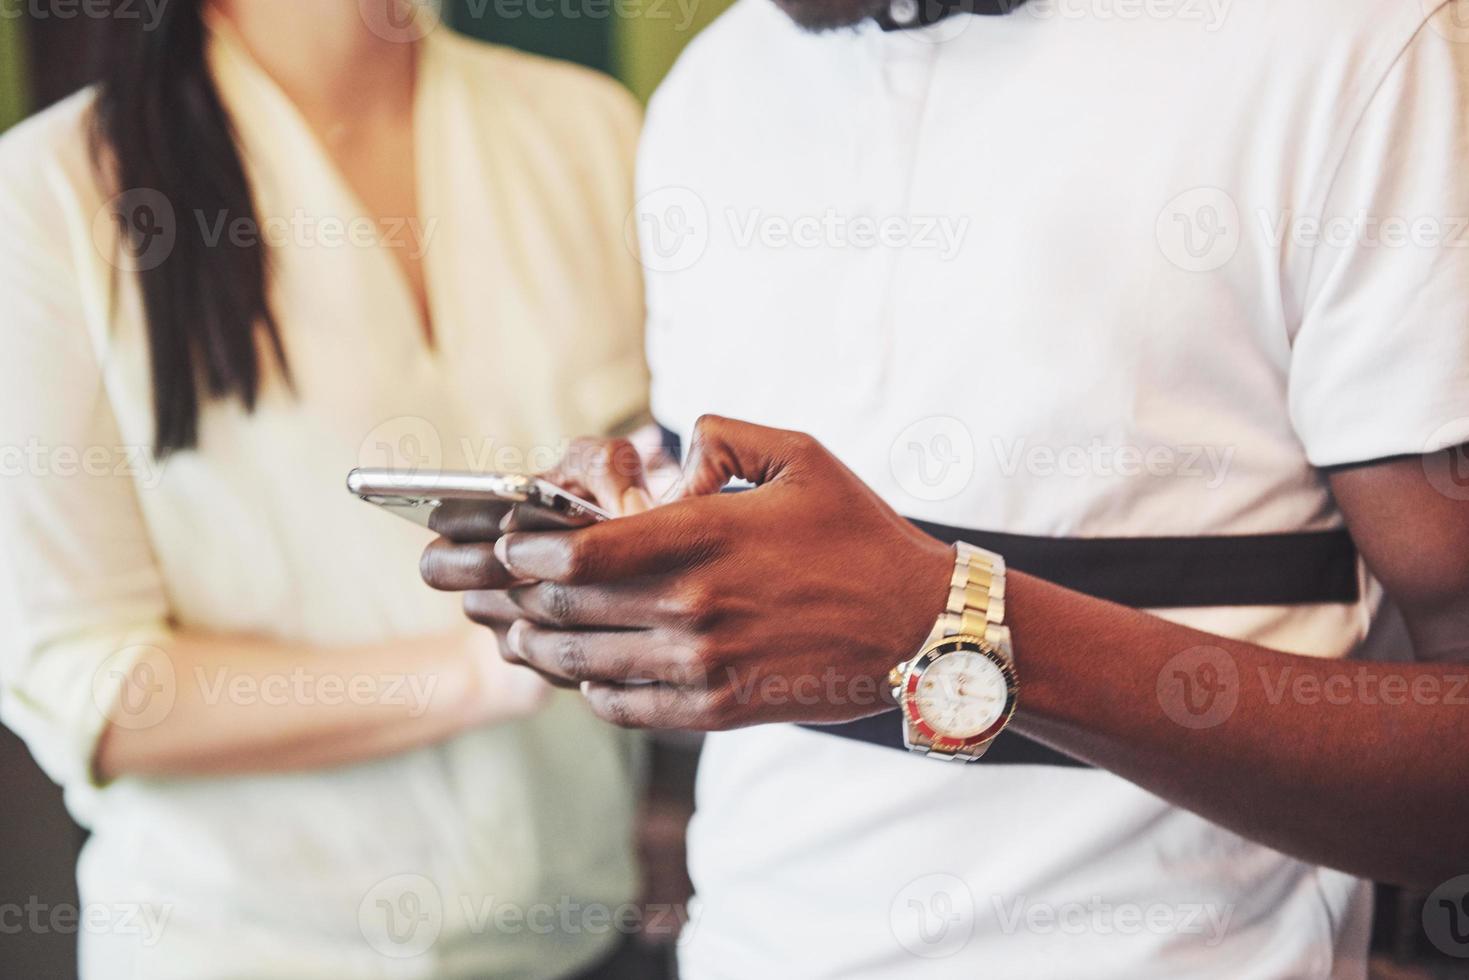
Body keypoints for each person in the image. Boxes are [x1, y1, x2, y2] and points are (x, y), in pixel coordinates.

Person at [420, 0, 1469, 976]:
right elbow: (769, 613)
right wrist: (618, 579)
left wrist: (948, 628)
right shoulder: (714, 83)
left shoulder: (1352, 44)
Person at [0, 1, 651, 976]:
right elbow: (99, 689)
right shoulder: (44, 198)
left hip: (584, 934)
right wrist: (491, 664)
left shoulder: (587, 128)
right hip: (241, 949)